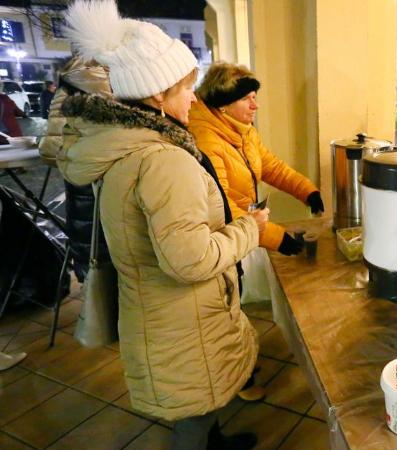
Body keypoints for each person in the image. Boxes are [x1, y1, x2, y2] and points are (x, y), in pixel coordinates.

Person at [59, 2, 262, 449]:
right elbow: (190, 261)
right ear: (156, 94)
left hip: (159, 315)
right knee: (193, 415)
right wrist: (251, 228)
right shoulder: (164, 161)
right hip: (182, 319)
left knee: (200, 405)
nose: (193, 98)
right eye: (186, 88)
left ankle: (216, 442)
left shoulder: (123, 148)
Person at [188, 62, 323, 256]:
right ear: (224, 104)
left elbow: (272, 167)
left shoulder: (244, 131)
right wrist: (274, 237)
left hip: (244, 230)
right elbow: (222, 206)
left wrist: (307, 191)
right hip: (224, 239)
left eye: (254, 97)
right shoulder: (207, 142)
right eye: (246, 98)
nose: (255, 105)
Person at [39, 57, 113, 281]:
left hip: (81, 187)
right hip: (117, 184)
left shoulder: (68, 87)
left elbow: (51, 150)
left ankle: (92, 298)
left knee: (92, 258)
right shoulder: (122, 81)